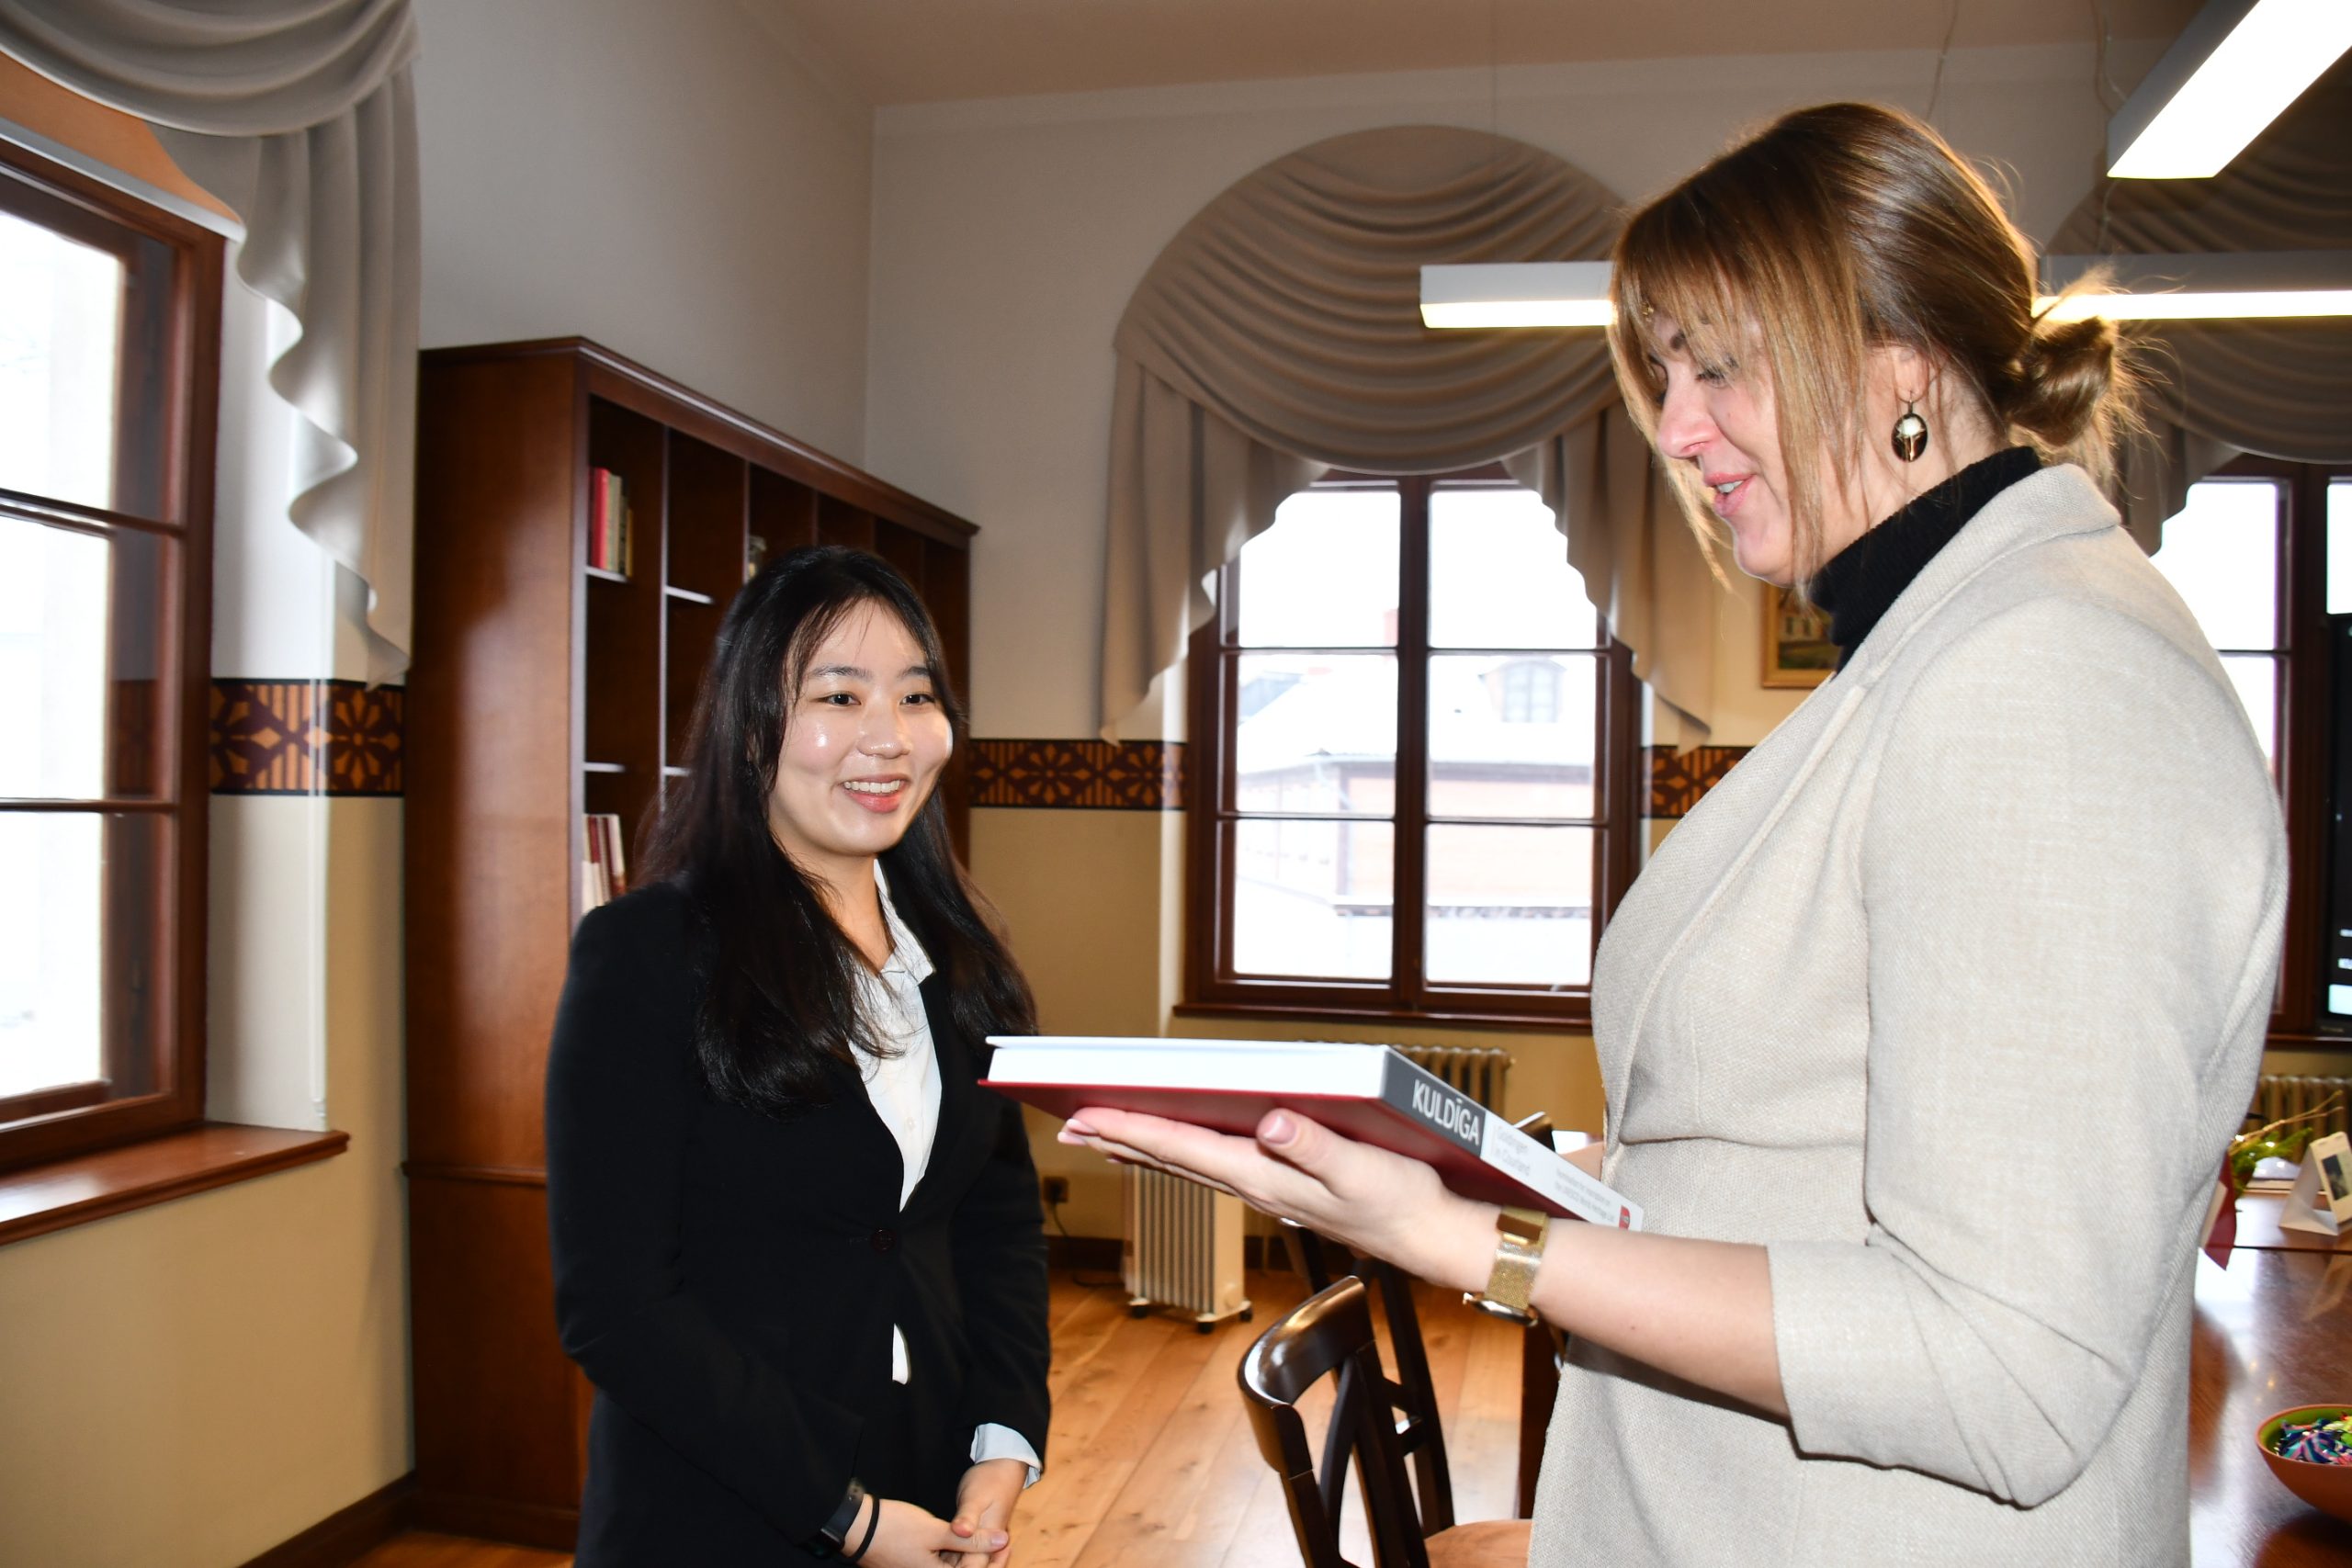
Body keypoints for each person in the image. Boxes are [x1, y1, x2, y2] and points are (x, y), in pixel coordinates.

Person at [1062, 103, 2286, 1566]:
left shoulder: (2042, 676)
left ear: (1901, 362)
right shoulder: (1946, 646)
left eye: (1719, 364)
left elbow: (2003, 1366)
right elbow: (1808, 1151)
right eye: (1665, 371)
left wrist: (1469, 1240)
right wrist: (1478, 1171)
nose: (1678, 426)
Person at [546, 546, 1051, 1566]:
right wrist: (847, 1516)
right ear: (750, 728)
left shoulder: (955, 956)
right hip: (721, 1514)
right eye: (839, 695)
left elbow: (994, 1221)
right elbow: (618, 1308)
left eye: (917, 696)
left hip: (932, 1491)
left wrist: (1001, 1443)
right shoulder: (645, 953)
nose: (890, 737)